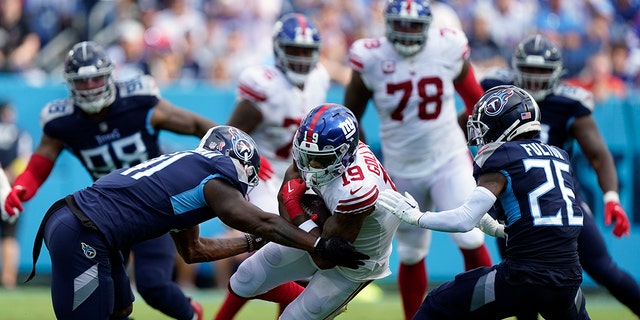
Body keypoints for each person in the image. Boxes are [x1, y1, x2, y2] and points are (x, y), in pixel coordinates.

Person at [22, 125, 367, 319]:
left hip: (86, 229)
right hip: (84, 233)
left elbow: (194, 250)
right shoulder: (214, 178)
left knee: (121, 308)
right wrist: (318, 243)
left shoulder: (185, 175)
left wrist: (250, 245)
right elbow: (263, 222)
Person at [3, 41, 215, 320]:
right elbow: (42, 160)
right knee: (111, 299)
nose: (90, 87)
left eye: (95, 78)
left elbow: (198, 125)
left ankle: (192, 315)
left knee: (154, 286)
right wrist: (23, 186)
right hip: (108, 213)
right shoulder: (63, 121)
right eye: (82, 81)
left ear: (109, 76)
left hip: (153, 206)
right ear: (69, 84)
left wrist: (234, 149)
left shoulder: (138, 102)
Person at [377, 85, 590, 319]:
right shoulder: (558, 155)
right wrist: (499, 229)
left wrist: (417, 217)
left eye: (486, 128)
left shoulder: (504, 156)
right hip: (569, 280)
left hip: (522, 278)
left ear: (506, 125)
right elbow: (545, 222)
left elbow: (464, 220)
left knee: (435, 305)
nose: (481, 136)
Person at [343, 1, 492, 318]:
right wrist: (367, 160)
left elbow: (477, 101)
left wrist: (461, 135)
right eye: (401, 24)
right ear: (387, 24)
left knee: (471, 236)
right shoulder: (370, 57)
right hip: (400, 166)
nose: (407, 33)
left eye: (414, 26)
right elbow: (351, 119)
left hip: (447, 158)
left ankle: (485, 313)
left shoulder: (447, 46)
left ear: (428, 27)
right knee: (411, 253)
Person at [481, 34, 639, 317]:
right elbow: (466, 123)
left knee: (603, 268)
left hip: (560, 202)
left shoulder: (568, 102)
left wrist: (612, 197)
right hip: (513, 200)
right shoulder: (497, 89)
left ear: (556, 73)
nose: (534, 78)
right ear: (516, 67)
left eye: (542, 71)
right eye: (528, 70)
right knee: (519, 279)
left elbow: (599, 155)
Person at [217, 103, 401, 320]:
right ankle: (311, 301)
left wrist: (295, 206)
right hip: (325, 233)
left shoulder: (356, 191)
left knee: (293, 318)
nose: (310, 163)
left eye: (320, 159)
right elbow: (282, 200)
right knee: (243, 281)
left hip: (356, 259)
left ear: (344, 155)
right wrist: (299, 215)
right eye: (306, 155)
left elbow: (327, 258)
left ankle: (319, 306)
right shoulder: (314, 146)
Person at [213, 12, 330, 318]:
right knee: (270, 251)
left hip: (299, 175)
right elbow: (231, 135)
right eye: (295, 49)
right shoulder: (263, 83)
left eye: (307, 50)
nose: (302, 57)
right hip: (261, 174)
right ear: (278, 49)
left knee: (296, 254)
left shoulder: (320, 77)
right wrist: (255, 156)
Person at [0, 101, 32, 289]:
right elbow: (25, 159)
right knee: (10, 236)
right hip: (10, 190)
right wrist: (7, 176)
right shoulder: (20, 133)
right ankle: (8, 279)